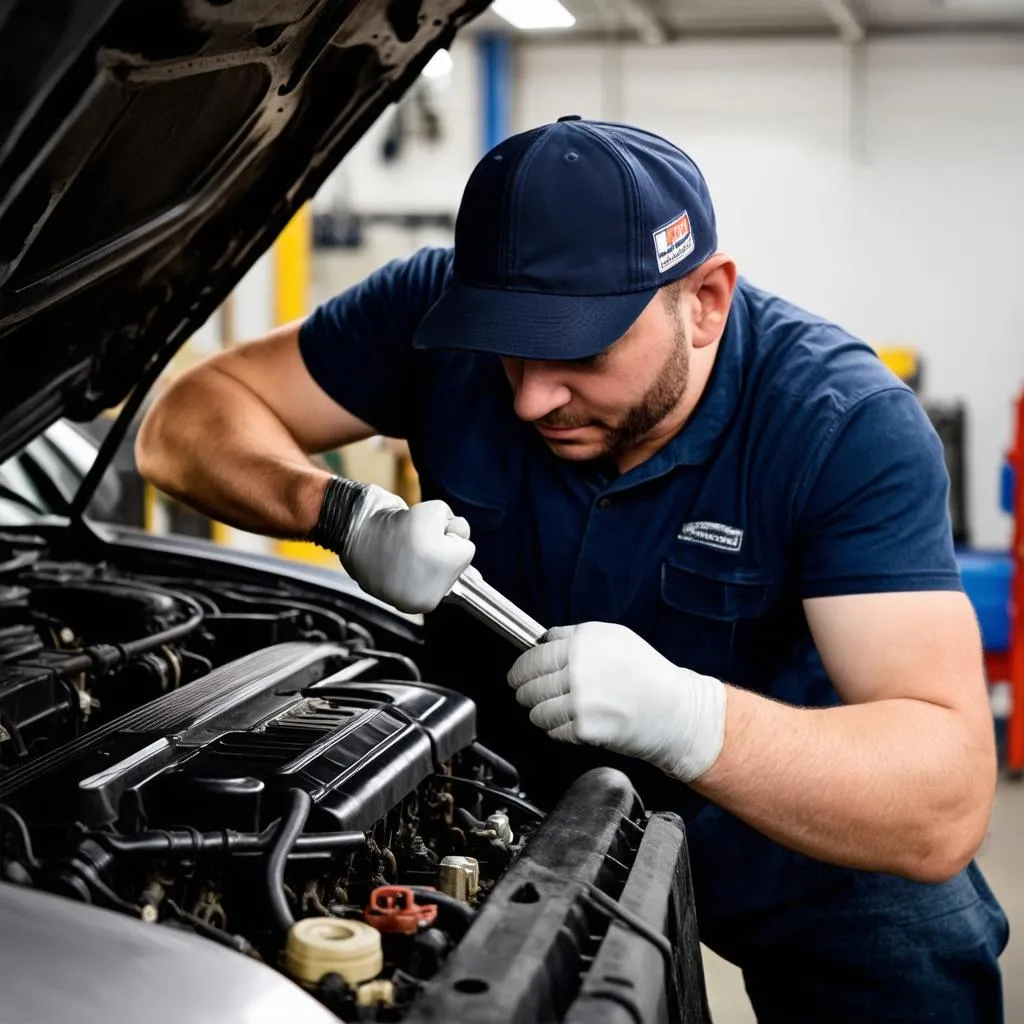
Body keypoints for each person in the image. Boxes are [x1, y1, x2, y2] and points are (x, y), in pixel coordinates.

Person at [136, 116, 1008, 1020]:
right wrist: (339, 513)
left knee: (915, 952)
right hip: (503, 779)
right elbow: (184, 422)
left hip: (774, 800)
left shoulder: (842, 423)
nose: (530, 397)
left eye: (582, 352)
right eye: (509, 344)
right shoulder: (430, 312)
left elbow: (941, 793)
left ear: (704, 301)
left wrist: (690, 722)